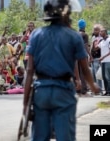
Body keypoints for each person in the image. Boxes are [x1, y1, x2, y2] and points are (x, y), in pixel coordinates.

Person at [23, 1, 100, 141]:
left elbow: (29, 71)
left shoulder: (36, 35)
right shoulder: (73, 36)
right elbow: (84, 67)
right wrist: (93, 86)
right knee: (65, 137)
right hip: (63, 91)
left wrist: (25, 103)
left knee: (39, 137)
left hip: (41, 92)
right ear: (66, 15)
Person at [98, 28, 110, 96]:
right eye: (100, 31)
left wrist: (103, 57)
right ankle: (107, 91)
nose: (100, 32)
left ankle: (109, 91)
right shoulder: (101, 42)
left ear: (105, 32)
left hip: (108, 61)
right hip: (103, 62)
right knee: (104, 77)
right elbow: (96, 48)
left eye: (101, 31)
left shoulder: (109, 40)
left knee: (107, 77)